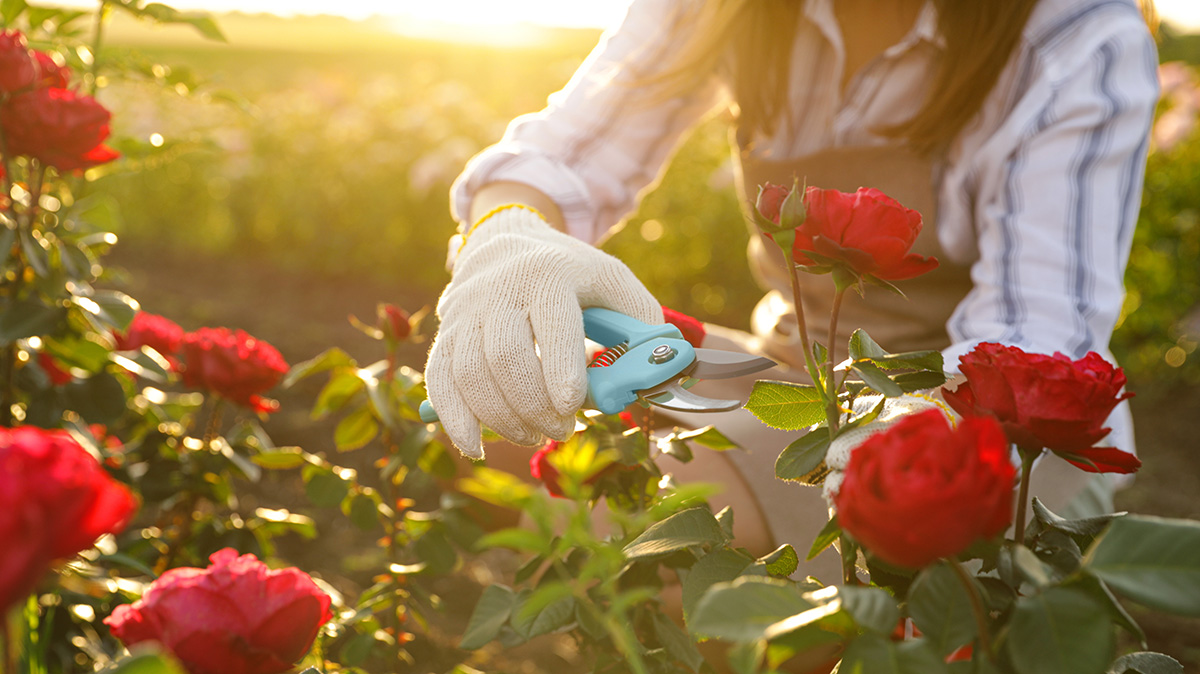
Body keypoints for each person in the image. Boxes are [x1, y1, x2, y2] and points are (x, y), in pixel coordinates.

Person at [424, 0, 1160, 577]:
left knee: (668, 542)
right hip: (794, 381)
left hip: (985, 435)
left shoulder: (1074, 32)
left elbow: (1031, 347)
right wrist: (510, 233)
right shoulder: (731, 6)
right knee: (493, 411)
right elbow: (568, 153)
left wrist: (882, 444)